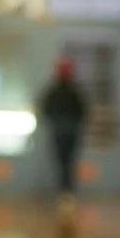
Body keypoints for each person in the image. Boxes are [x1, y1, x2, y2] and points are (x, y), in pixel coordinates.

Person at [37, 55, 87, 203]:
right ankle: (64, 193)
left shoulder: (73, 92)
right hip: (60, 133)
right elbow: (45, 109)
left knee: (67, 164)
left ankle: (67, 193)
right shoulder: (54, 92)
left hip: (70, 134)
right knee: (62, 164)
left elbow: (82, 111)